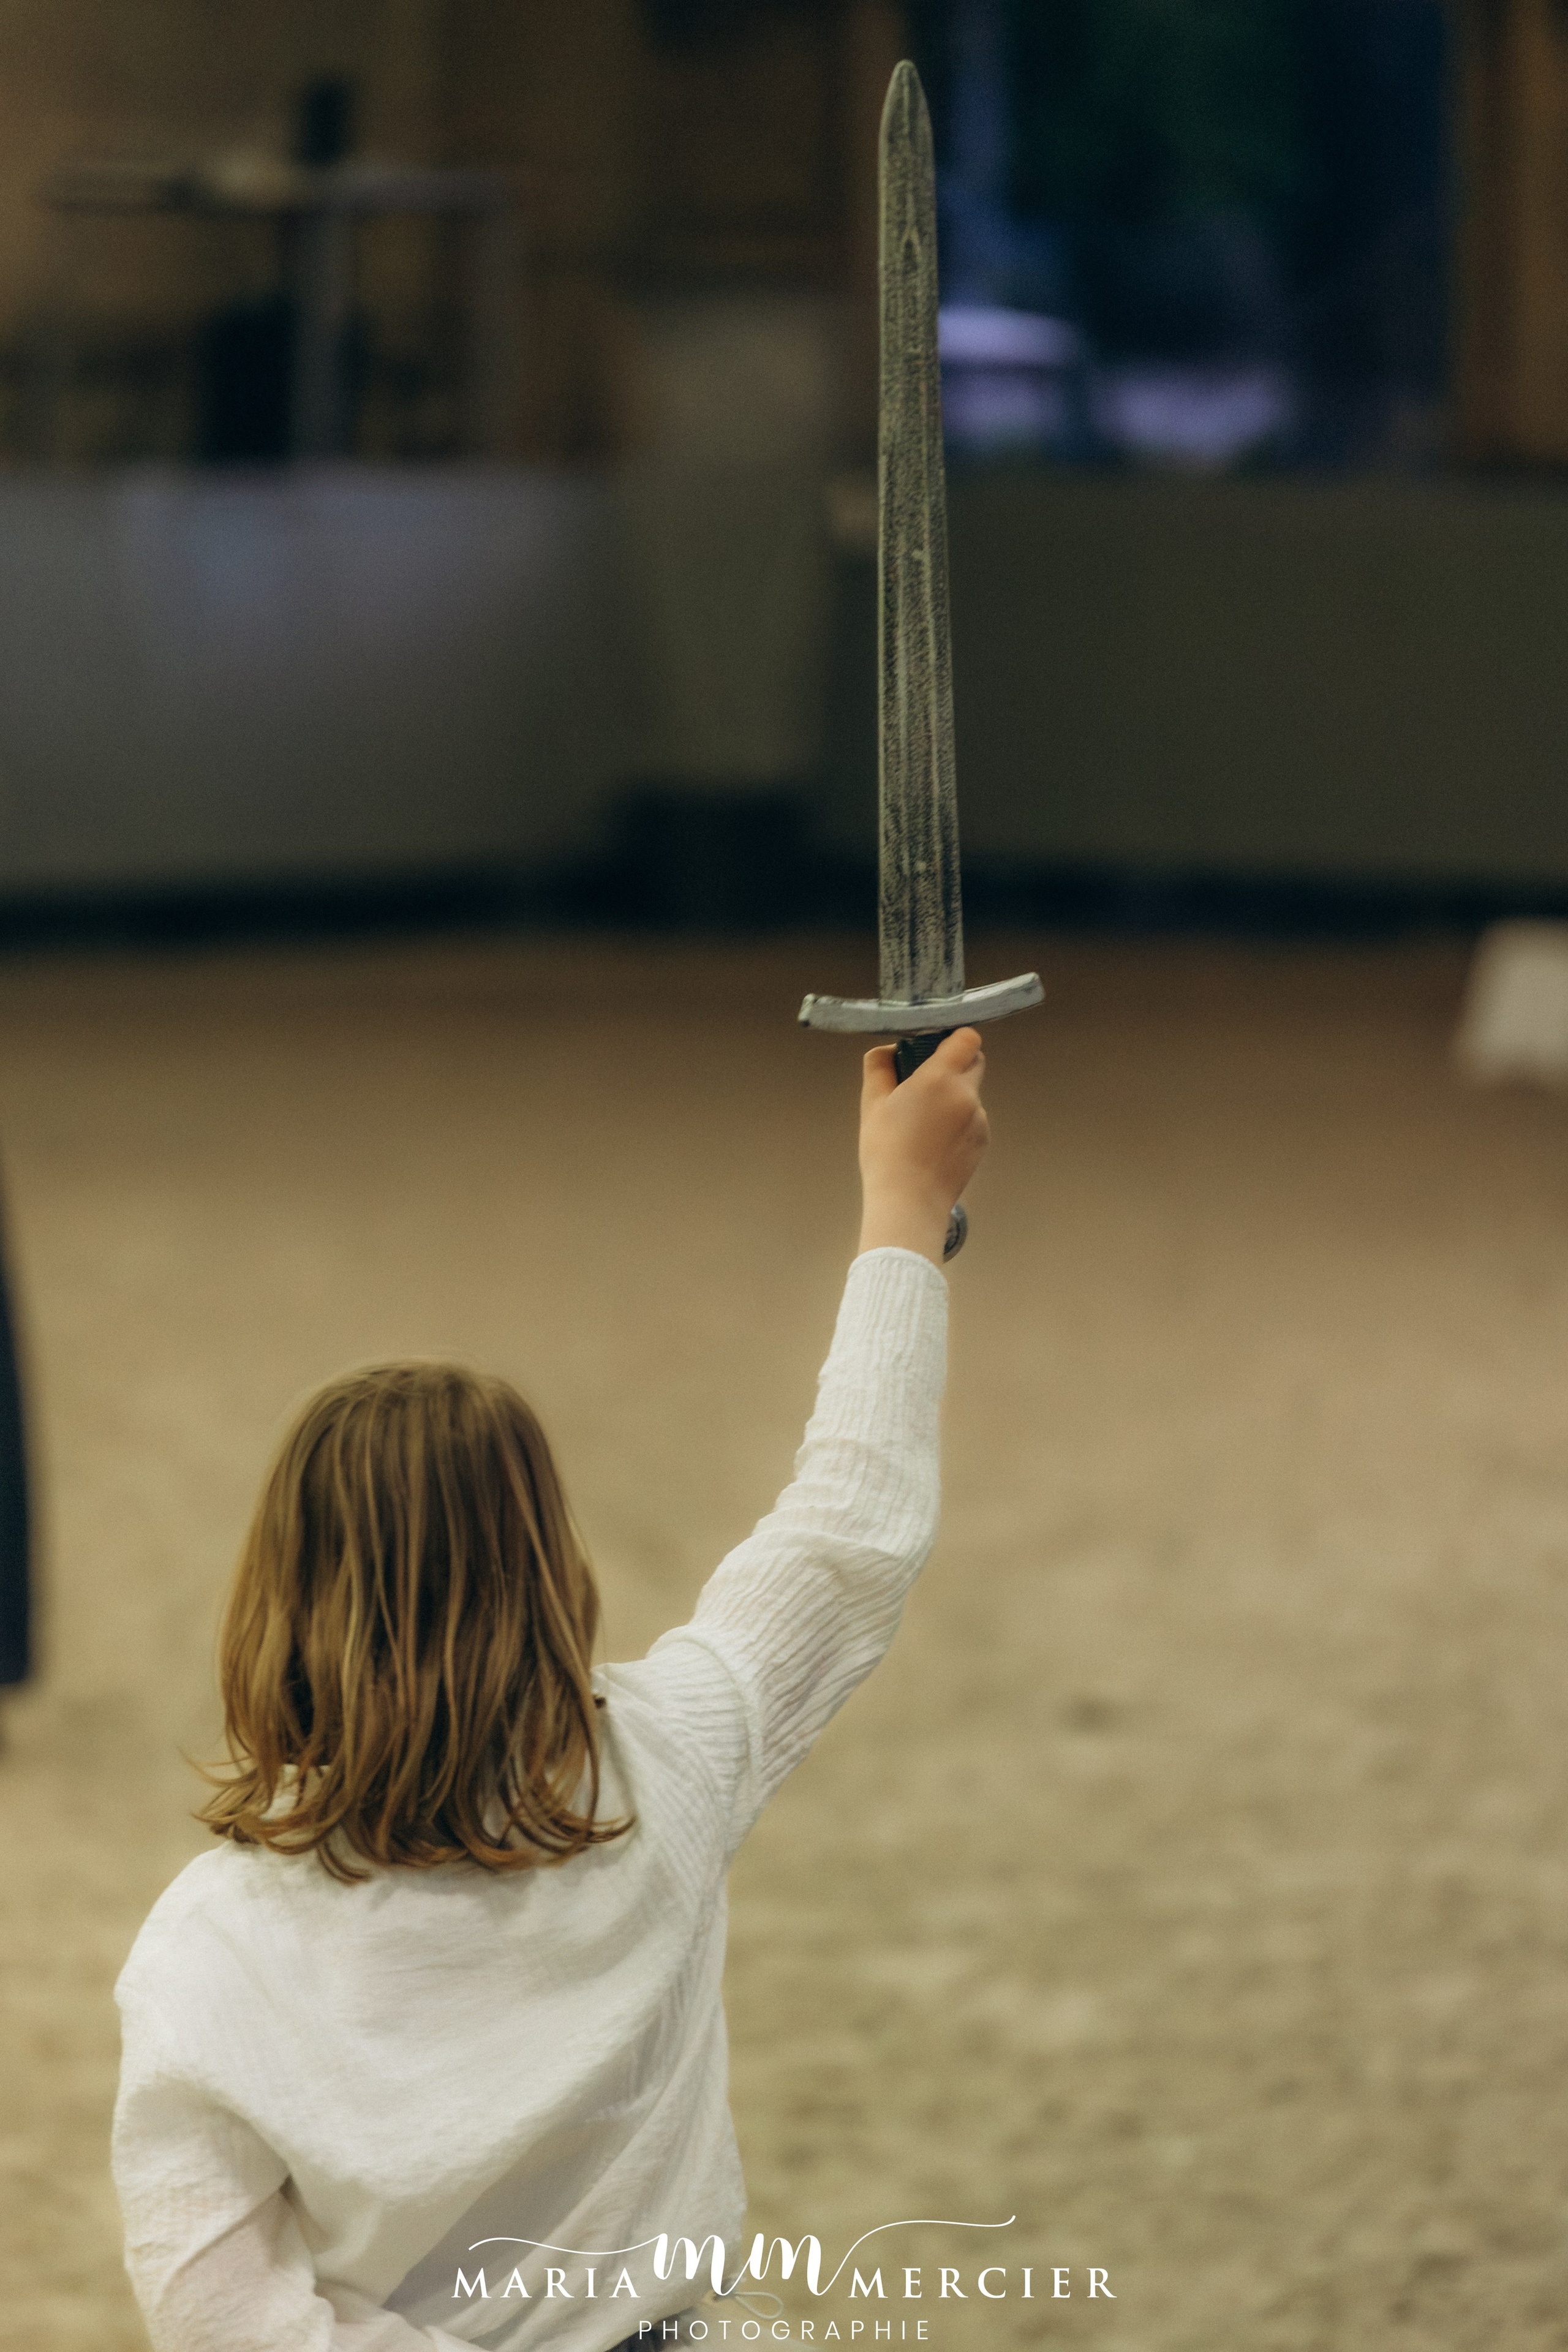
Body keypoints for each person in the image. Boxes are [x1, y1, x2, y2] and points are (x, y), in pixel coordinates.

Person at [111, 1028, 990, 2352]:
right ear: (547, 1567)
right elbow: (849, 1523)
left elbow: (215, 2312)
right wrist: (904, 1213)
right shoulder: (667, 1765)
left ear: (279, 1597)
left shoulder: (208, 1942)